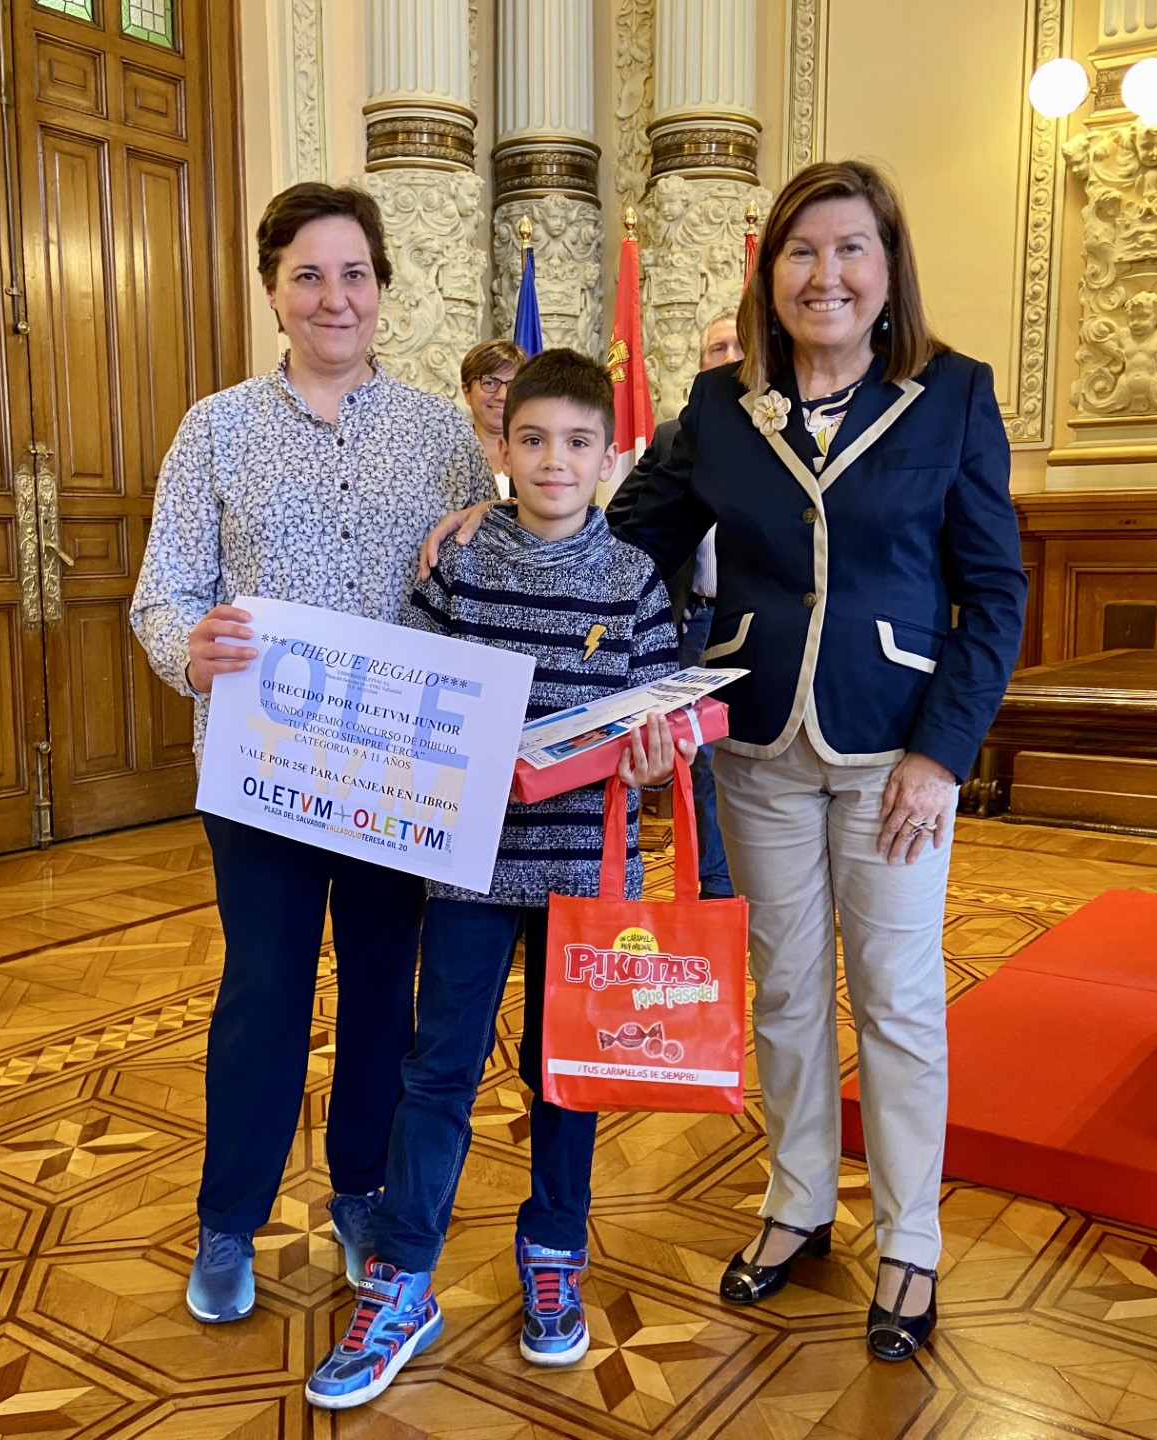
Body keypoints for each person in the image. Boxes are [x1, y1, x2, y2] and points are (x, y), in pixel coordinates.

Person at [426, 161, 1026, 1363]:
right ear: (771, 273)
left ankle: (909, 1242)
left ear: (888, 268)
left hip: (896, 751)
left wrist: (943, 754)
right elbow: (620, 535)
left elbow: (995, 592)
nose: (825, 275)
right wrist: (496, 526)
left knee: (898, 997)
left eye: (850, 249)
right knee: (786, 988)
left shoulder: (953, 394)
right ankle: (797, 1203)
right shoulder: (720, 403)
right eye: (802, 251)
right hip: (753, 743)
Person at [130, 182, 496, 1326]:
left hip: (397, 775)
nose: (334, 297)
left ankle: (362, 1195)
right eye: (308, 275)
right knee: (265, 992)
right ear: (272, 291)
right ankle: (228, 1218)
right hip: (261, 773)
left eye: (354, 274)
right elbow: (163, 593)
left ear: (381, 289)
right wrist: (187, 650)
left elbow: (476, 587)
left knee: (385, 993)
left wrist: (486, 539)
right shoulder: (215, 428)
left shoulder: (440, 434)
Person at [304, 348, 684, 1410]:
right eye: (533, 440)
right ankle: (402, 1277)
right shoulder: (462, 565)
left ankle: (554, 1250)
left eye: (577, 443)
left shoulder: (635, 579)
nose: (555, 461)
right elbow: (409, 691)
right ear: (502, 448)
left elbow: (666, 718)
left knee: (568, 1074)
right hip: (469, 870)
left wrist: (660, 758)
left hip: (588, 876)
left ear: (607, 457)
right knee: (438, 1072)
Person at [608, 312, 741, 900]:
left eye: (740, 345)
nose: (729, 355)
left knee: (747, 755)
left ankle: (753, 880)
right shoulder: (671, 438)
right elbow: (621, 528)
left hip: (750, 622)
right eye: (718, 347)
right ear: (701, 364)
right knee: (699, 754)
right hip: (689, 621)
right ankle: (715, 885)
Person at [460, 338, 524, 497]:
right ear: (467, 392)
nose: (502, 396)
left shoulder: (536, 454)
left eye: (513, 384)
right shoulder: (449, 456)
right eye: (490, 383)